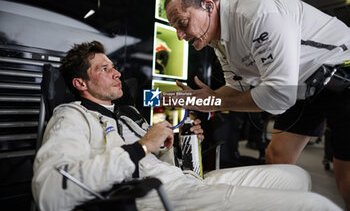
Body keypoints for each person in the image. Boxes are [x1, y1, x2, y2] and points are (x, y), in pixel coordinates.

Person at [32, 41, 341, 211]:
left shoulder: (126, 114)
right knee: (316, 207)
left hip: (184, 181)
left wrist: (181, 143)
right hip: (148, 196)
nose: (116, 73)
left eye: (113, 66)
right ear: (80, 83)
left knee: (296, 175)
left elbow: (162, 162)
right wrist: (143, 146)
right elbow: (50, 195)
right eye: (104, 68)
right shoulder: (70, 117)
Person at [164, 0, 350, 210]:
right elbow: (238, 86)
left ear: (209, 6)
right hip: (300, 85)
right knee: (278, 156)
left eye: (183, 23)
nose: (180, 36)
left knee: (345, 171)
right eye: (176, 29)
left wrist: (213, 101)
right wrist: (207, 101)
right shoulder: (217, 39)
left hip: (339, 71)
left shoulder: (258, 14)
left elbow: (278, 97)